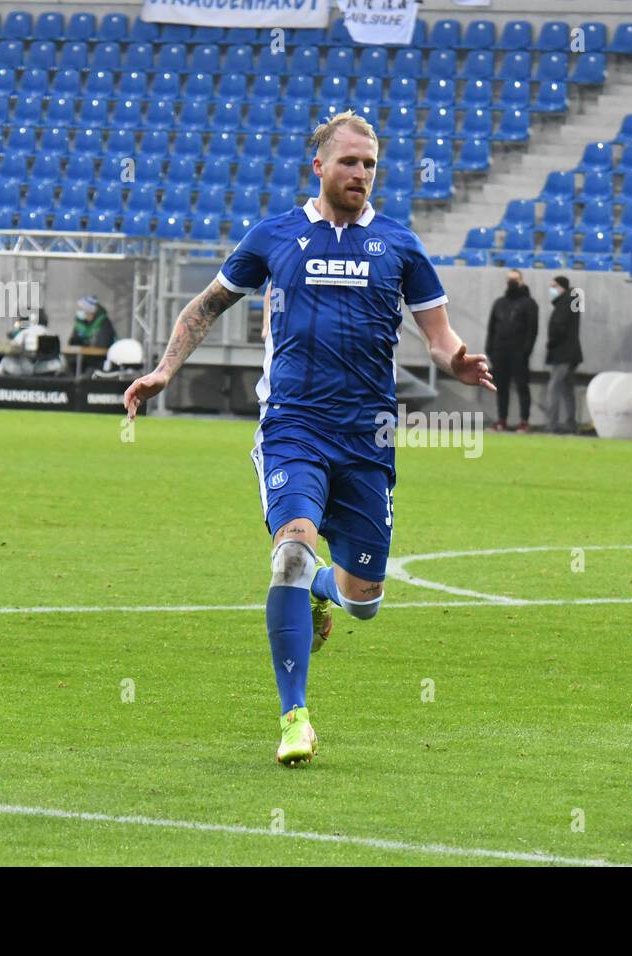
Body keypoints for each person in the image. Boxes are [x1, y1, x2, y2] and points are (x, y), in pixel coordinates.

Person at [122, 111, 495, 766]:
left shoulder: (400, 248)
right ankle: (295, 716)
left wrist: (459, 360)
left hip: (369, 438)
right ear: (318, 166)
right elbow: (206, 304)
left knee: (364, 603)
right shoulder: (276, 237)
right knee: (288, 555)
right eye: (348, 162)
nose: (360, 174)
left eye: (370, 164)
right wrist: (164, 369)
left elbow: (439, 339)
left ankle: (327, 588)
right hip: (294, 425)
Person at [485, 270, 538, 433]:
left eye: (514, 280)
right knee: (501, 388)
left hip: (519, 353)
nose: (511, 283)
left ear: (521, 281)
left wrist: (525, 352)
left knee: (522, 387)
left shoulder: (529, 304)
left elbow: (532, 330)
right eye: (509, 280)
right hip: (500, 352)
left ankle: (524, 421)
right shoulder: (499, 303)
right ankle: (501, 421)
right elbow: (491, 328)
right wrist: (490, 350)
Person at [544, 276, 582, 434]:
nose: (551, 289)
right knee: (567, 389)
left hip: (562, 353)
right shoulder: (572, 302)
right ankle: (570, 423)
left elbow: (559, 327)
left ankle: (552, 424)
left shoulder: (564, 303)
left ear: (561, 287)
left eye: (554, 286)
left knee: (553, 388)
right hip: (571, 352)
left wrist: (551, 343)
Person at [0, 309, 67, 377]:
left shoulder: (24, 332)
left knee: (5, 360)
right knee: (61, 360)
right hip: (47, 369)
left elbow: (12, 347)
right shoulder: (51, 333)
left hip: (27, 369)